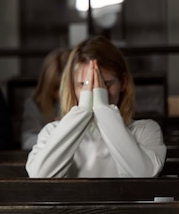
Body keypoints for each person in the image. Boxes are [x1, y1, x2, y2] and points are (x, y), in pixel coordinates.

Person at [26, 35, 166, 178]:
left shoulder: (145, 131)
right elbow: (40, 176)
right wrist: (82, 111)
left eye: (106, 84)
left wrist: (102, 108)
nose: (95, 91)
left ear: (123, 82)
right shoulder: (52, 132)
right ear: (72, 86)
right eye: (84, 85)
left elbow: (144, 176)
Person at [20, 48, 70, 150]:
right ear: (47, 85)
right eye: (56, 88)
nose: (61, 95)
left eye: (66, 88)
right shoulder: (35, 104)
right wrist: (52, 135)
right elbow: (27, 141)